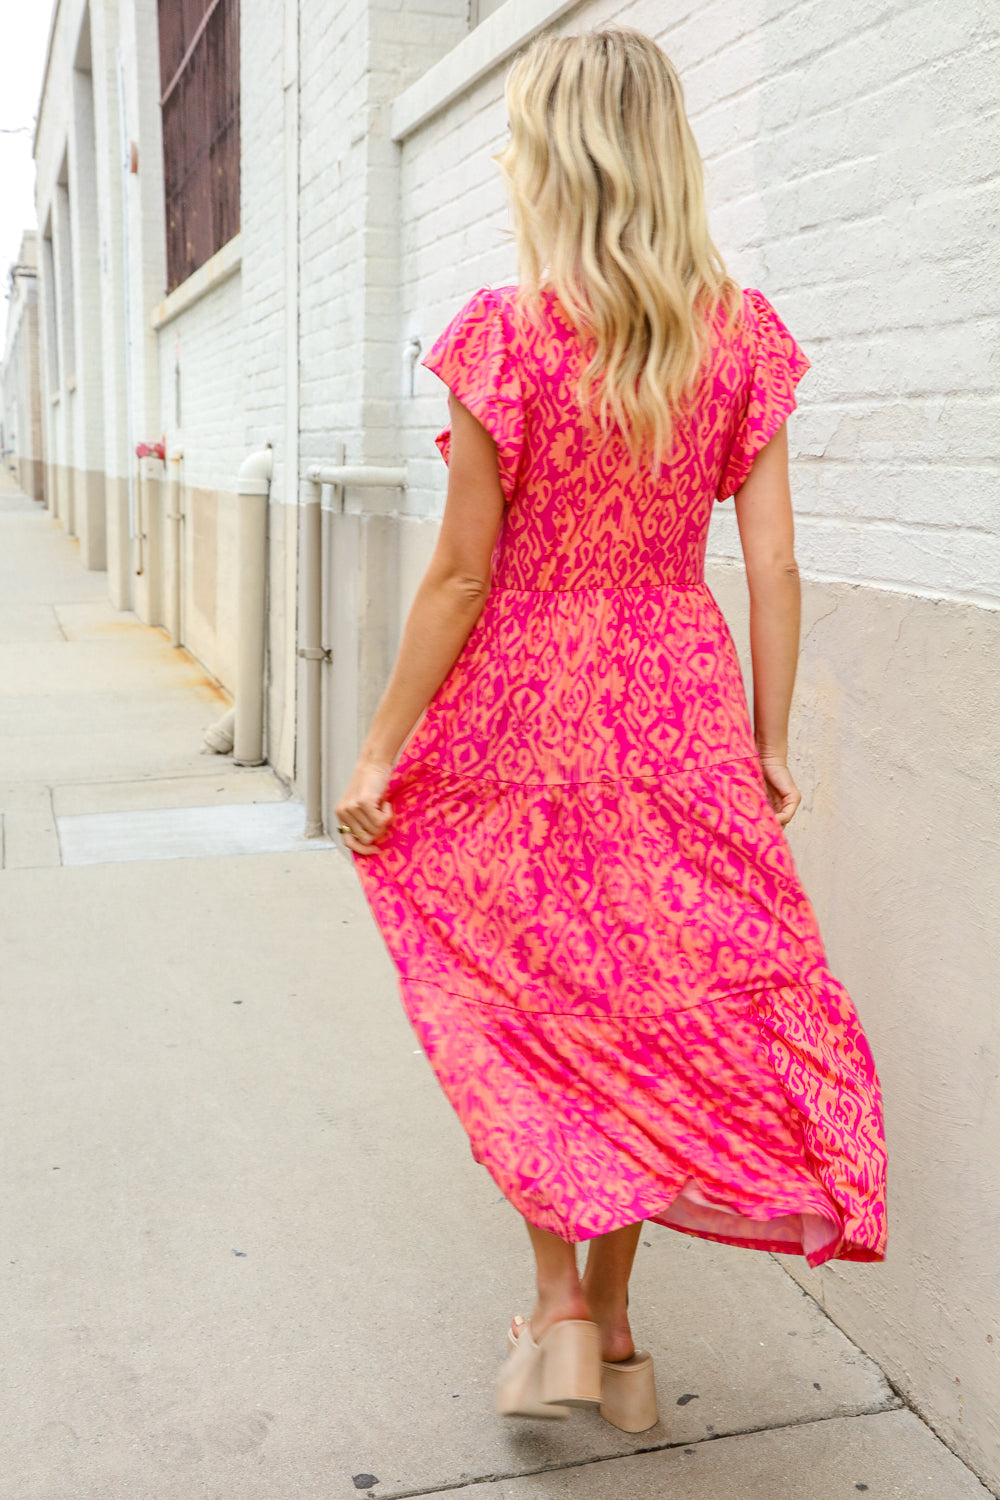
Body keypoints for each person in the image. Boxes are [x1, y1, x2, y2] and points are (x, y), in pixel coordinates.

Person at [335, 26, 887, 1432]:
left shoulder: (503, 335)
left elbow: (461, 572)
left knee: (527, 1008)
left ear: (552, 163)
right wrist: (766, 741)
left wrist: (384, 745)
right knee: (643, 1009)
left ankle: (559, 1314)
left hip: (524, 708)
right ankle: (620, 1331)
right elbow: (770, 564)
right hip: (677, 708)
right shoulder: (739, 334)